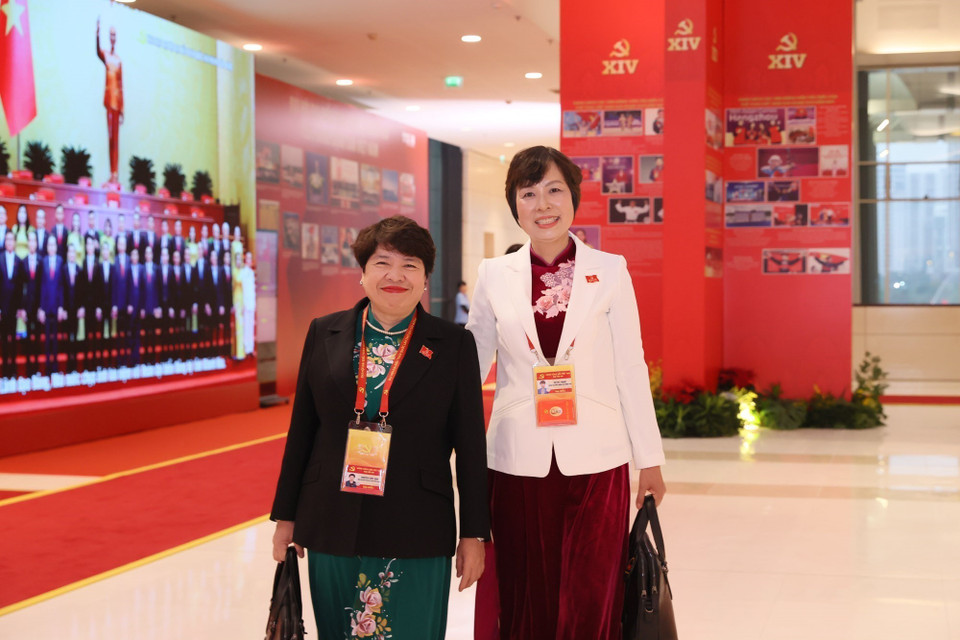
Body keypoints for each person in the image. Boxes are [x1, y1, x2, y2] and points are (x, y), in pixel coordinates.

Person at [466, 146, 666, 640]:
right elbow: (472, 363)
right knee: (523, 588)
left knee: (590, 592)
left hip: (599, 457)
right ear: (515, 205)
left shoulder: (611, 270)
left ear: (573, 197)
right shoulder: (494, 275)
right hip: (516, 458)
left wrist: (651, 458)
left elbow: (630, 367)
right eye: (528, 193)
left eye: (554, 189)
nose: (542, 204)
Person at [270, 215, 489, 640]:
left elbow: (471, 446)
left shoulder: (454, 344)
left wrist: (475, 533)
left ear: (425, 279)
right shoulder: (324, 332)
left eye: (410, 265)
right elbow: (302, 432)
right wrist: (286, 517)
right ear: (362, 274)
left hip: (417, 527)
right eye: (382, 262)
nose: (395, 275)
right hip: (331, 520)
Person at [97, 18, 124, 184]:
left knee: (116, 140)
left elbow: (122, 85)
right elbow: (97, 51)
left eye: (115, 35)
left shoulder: (119, 60)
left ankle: (115, 174)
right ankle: (110, 173)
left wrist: (122, 110)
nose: (112, 37)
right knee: (110, 138)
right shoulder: (106, 56)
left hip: (117, 105)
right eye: (111, 34)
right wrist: (97, 34)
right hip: (109, 102)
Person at [239, 251, 256, 356]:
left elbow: (252, 289)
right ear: (245, 260)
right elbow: (243, 290)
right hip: (245, 303)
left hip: (251, 302)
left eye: (251, 258)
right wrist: (243, 303)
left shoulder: (252, 272)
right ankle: (245, 347)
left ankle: (250, 348)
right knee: (246, 326)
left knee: (251, 326)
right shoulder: (242, 272)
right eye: (248, 258)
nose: (250, 260)